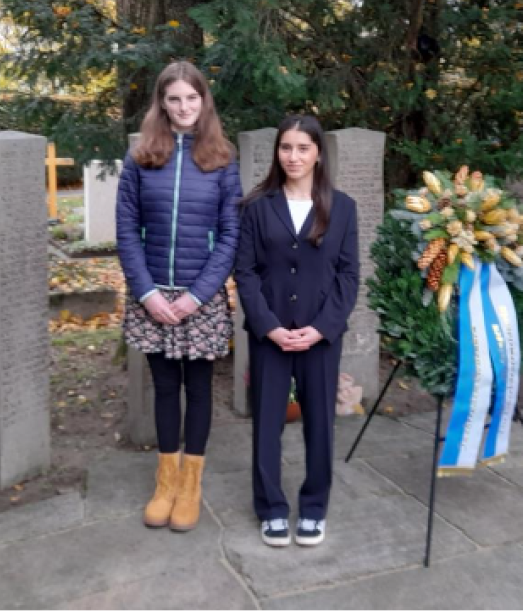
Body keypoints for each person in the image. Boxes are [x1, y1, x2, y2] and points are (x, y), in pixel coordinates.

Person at [116, 61, 241, 532]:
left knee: (199, 388)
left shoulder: (222, 159)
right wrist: (146, 292)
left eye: (192, 98)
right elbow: (127, 229)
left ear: (203, 100)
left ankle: (191, 484)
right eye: (175, 99)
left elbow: (230, 234)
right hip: (152, 294)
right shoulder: (141, 157)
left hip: (199, 296)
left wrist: (198, 296)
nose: (184, 107)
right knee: (165, 388)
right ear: (162, 103)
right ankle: (165, 481)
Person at [235, 115, 359, 547]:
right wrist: (268, 326)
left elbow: (348, 275)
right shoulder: (257, 207)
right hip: (269, 336)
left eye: (303, 148)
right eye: (286, 147)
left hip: (319, 337)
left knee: (320, 424)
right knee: (267, 422)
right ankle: (270, 507)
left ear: (318, 153)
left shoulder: (342, 208)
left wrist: (322, 328)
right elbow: (245, 272)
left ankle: (314, 506)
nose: (293, 156)